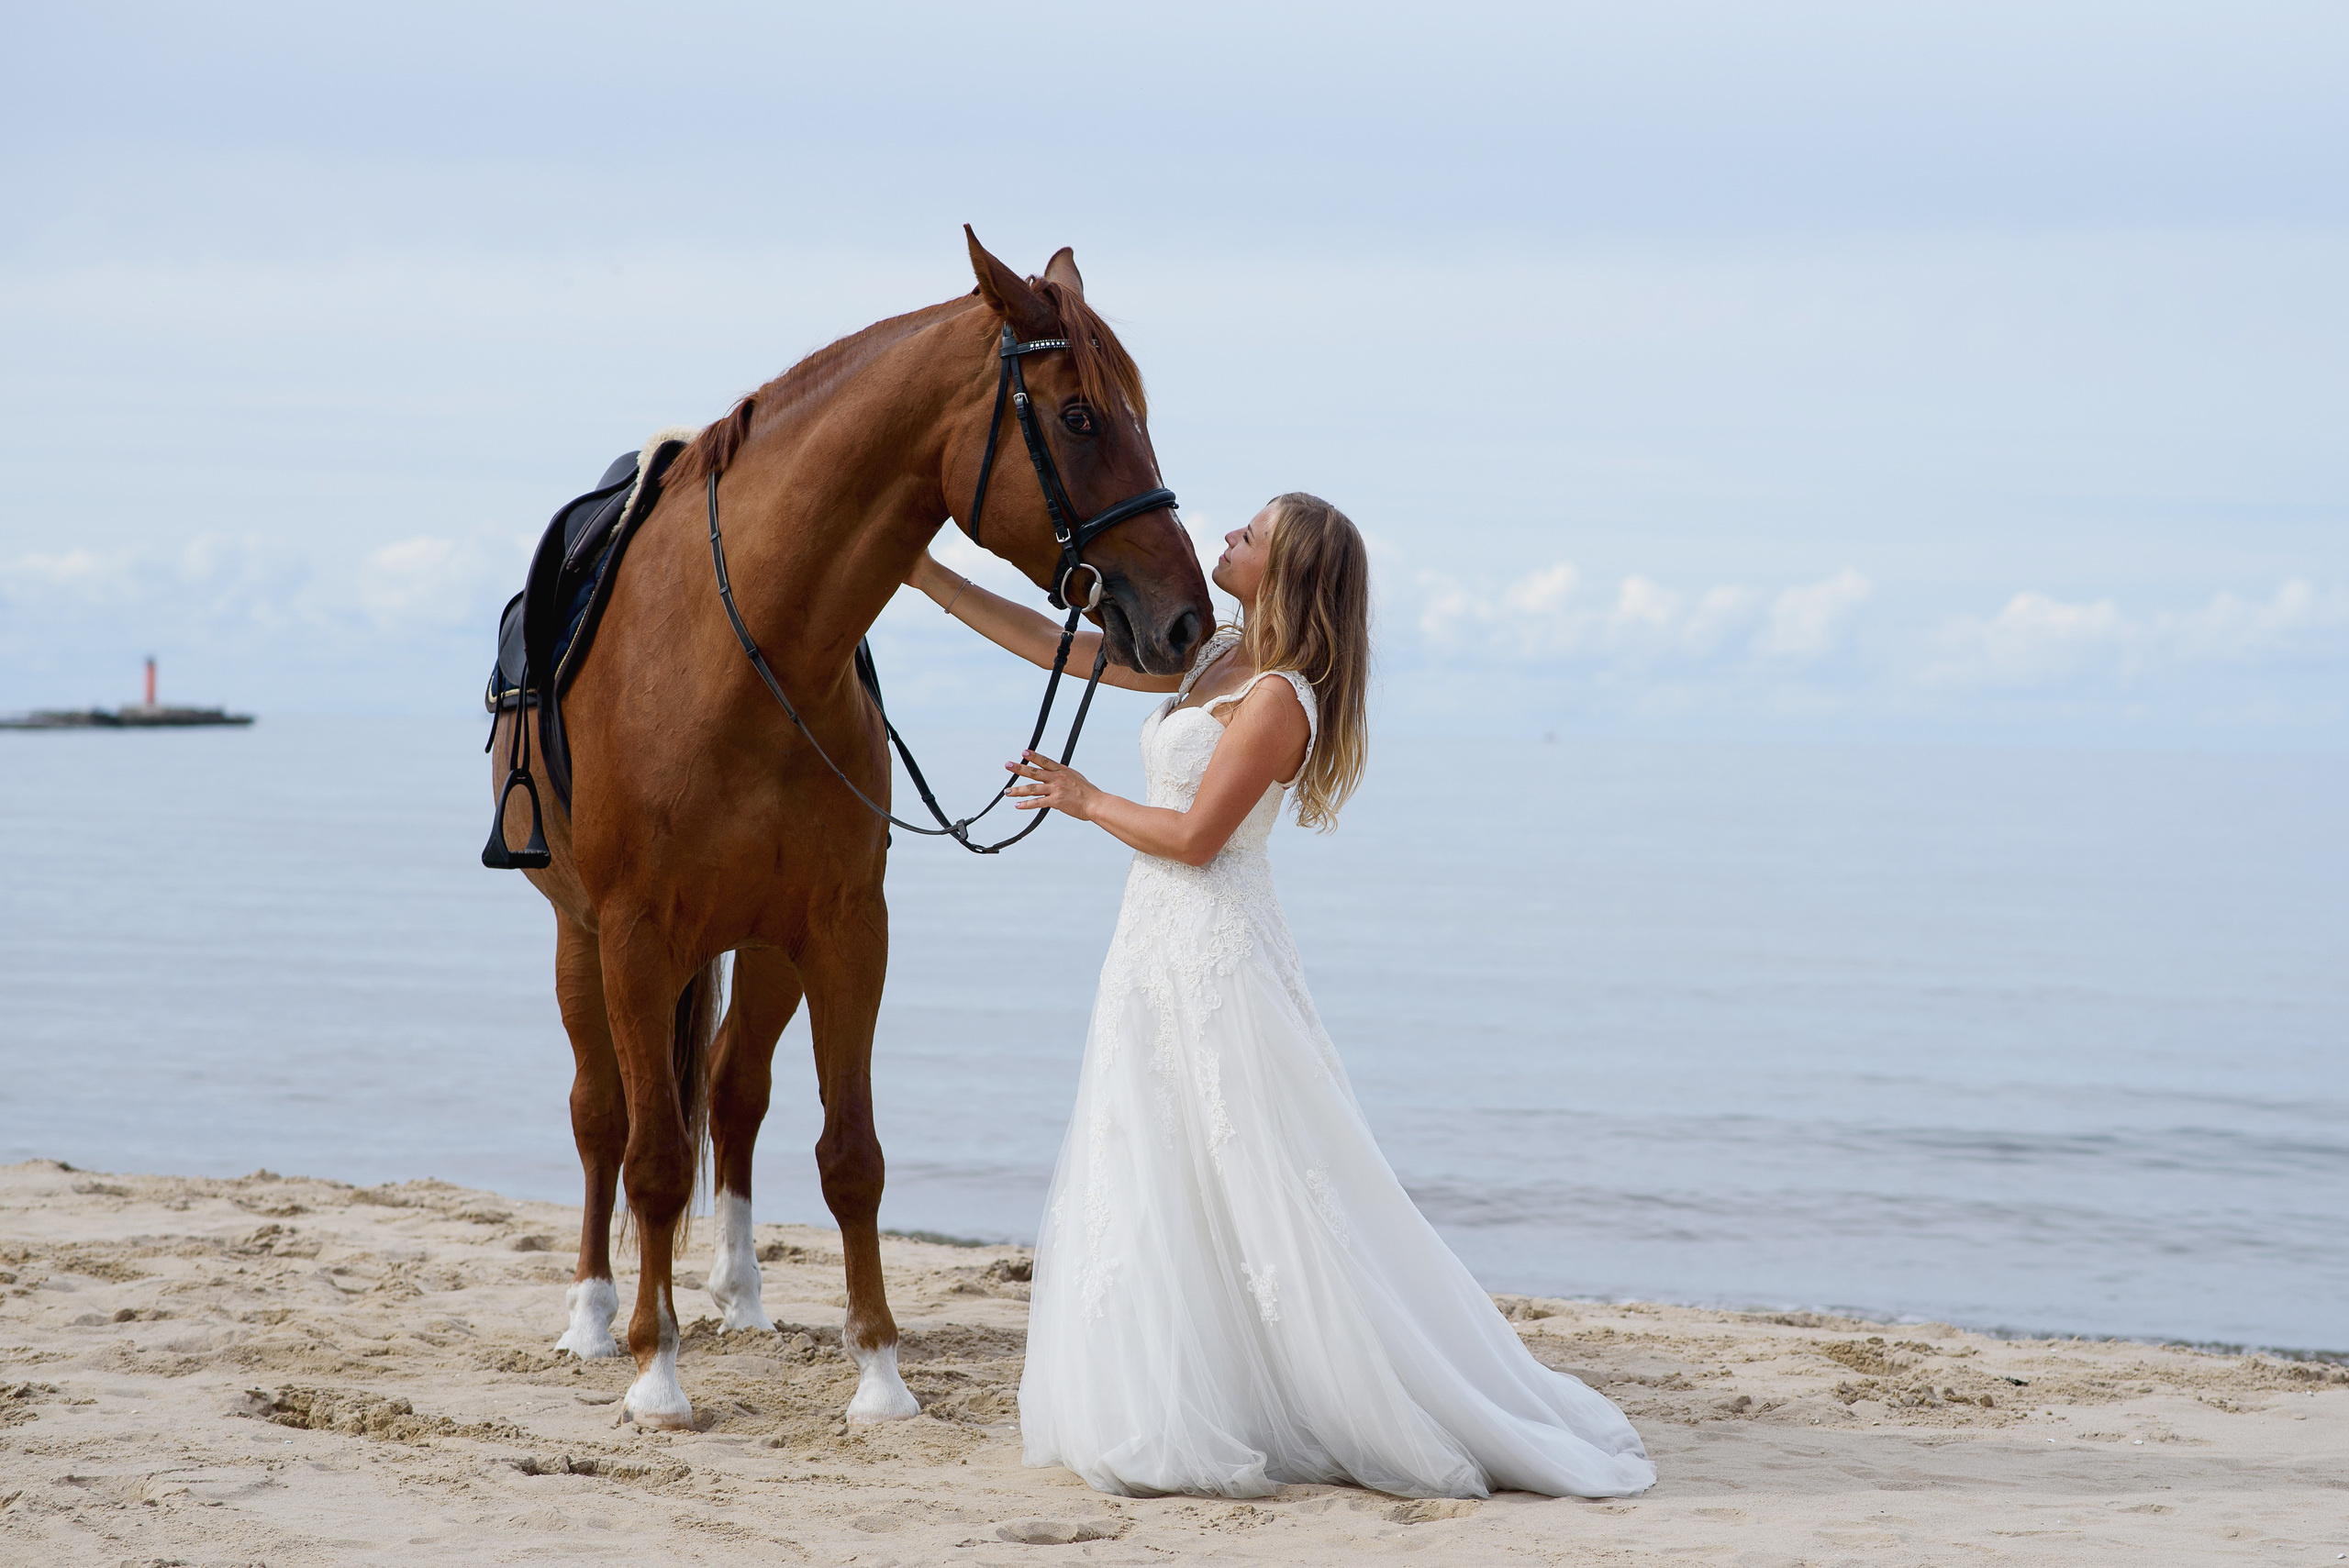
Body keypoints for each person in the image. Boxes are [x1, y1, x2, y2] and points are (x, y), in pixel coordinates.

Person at [901, 493, 1654, 1500]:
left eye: (1248, 535)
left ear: (1286, 572)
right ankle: (1183, 1384)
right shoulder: (1210, 654)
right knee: (1151, 1155)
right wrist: (925, 576)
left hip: (1214, 953)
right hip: (1151, 945)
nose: (1225, 537)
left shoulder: (1276, 699)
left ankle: (1326, 1391)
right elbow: (1059, 650)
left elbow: (1193, 839)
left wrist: (1084, 798)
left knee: (1257, 1169)